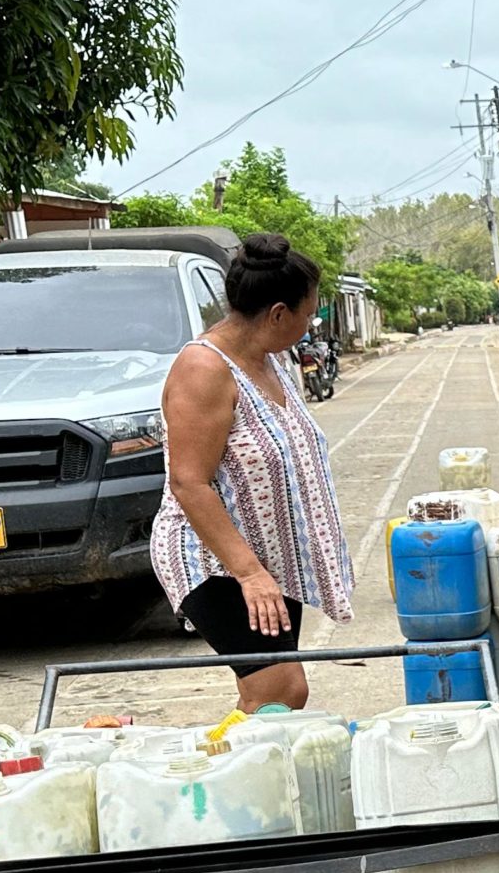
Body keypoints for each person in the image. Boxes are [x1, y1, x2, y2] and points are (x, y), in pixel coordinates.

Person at [150, 233, 355, 712]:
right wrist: (250, 574)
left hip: (271, 561)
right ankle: (212, 781)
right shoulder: (204, 368)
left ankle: (239, 774)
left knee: (271, 697)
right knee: (280, 692)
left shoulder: (273, 359)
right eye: (308, 314)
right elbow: (188, 482)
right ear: (279, 314)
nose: (311, 324)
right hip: (217, 563)